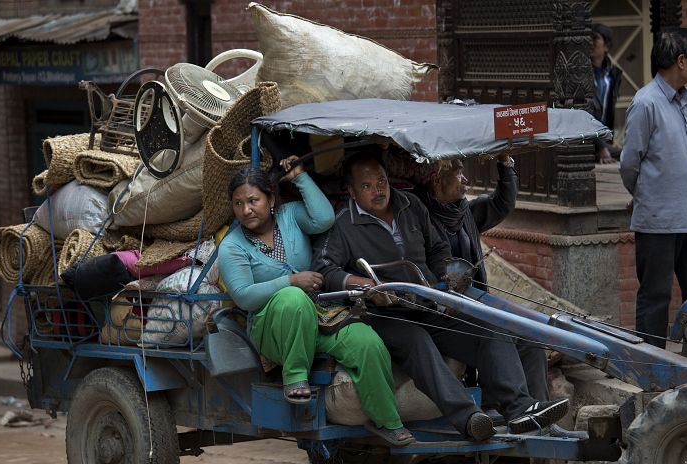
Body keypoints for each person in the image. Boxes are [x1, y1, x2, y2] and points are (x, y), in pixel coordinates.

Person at [312, 151, 568, 441]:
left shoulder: (410, 205)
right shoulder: (342, 224)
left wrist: (448, 280)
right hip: (384, 314)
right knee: (416, 341)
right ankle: (469, 418)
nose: (378, 190)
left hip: (427, 304)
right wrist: (367, 286)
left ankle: (520, 409)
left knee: (490, 330)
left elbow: (437, 249)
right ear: (351, 191)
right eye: (366, 186)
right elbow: (323, 269)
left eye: (381, 182)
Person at [218, 156, 415, 446]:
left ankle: (387, 421)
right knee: (293, 298)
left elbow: (324, 218)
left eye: (253, 200)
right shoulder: (232, 245)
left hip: (321, 313)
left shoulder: (290, 215)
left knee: (367, 342)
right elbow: (244, 296)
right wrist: (290, 281)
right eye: (238, 204)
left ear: (270, 199)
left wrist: (300, 177)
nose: (246, 210)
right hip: (272, 328)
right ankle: (295, 376)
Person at [412, 156, 549, 408]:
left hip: (472, 302)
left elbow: (502, 203)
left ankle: (539, 413)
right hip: (439, 311)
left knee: (530, 334)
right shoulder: (416, 216)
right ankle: (509, 407)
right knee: (496, 330)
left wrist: (506, 165)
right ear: (437, 180)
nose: (465, 179)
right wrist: (442, 296)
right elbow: (418, 268)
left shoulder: (463, 212)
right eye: (458, 174)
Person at [620, 28, 687, 349]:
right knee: (655, 299)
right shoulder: (645, 103)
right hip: (658, 222)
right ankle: (650, 368)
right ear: (680, 61)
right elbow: (629, 163)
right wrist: (644, 196)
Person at [591, 23, 623, 164]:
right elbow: (584, 113)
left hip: (604, 141)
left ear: (607, 46)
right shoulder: (581, 73)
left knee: (632, 156)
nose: (590, 43)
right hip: (586, 140)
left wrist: (605, 144)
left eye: (595, 38)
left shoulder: (614, 74)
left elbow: (609, 109)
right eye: (588, 38)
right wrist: (601, 147)